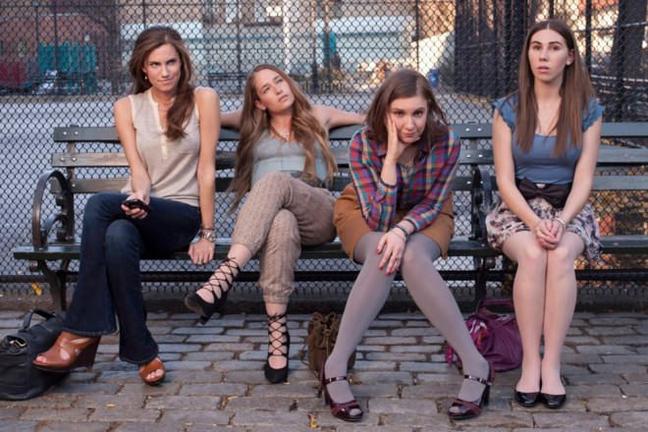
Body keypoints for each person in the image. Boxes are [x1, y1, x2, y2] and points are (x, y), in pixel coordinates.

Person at [33, 26, 220, 386]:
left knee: (99, 205)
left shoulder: (204, 99)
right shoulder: (126, 107)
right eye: (156, 64)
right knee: (117, 235)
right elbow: (139, 171)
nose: (165, 72)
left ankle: (79, 331)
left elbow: (206, 169)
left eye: (171, 62)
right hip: (141, 211)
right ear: (143, 68)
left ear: (182, 63)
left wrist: (208, 233)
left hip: (181, 214)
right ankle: (143, 352)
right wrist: (139, 198)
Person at [322, 69, 493, 422]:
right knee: (383, 252)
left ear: (429, 109)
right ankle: (335, 365)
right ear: (384, 111)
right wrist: (390, 161)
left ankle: (476, 364)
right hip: (364, 210)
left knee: (413, 256)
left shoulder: (446, 143)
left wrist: (402, 231)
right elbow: (377, 220)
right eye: (399, 113)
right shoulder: (363, 143)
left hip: (428, 214)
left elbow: (432, 203)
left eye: (418, 112)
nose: (410, 123)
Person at [183, 64, 364, 384]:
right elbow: (202, 115)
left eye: (279, 81)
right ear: (258, 102)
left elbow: (369, 119)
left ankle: (224, 276)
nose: (278, 89)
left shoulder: (319, 114)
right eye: (266, 89)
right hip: (270, 218)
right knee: (281, 221)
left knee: (276, 180)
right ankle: (277, 336)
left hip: (318, 210)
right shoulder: (250, 123)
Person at [486, 19, 603, 409]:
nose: (543, 56)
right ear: (528, 55)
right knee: (535, 254)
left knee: (562, 254)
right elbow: (505, 181)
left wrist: (562, 221)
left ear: (569, 57)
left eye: (554, 47)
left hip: (568, 208)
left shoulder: (587, 110)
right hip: (518, 209)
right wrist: (536, 223)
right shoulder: (508, 109)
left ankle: (551, 364)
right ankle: (530, 364)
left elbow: (584, 179)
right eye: (537, 47)